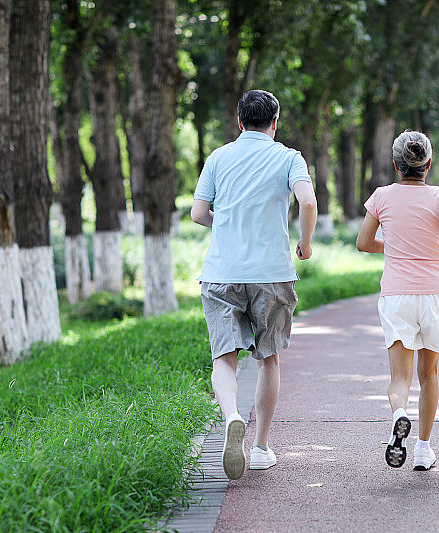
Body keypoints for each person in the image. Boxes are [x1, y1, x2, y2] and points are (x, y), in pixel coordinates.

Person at [191, 89, 317, 480]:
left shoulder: (218, 157)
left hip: (222, 273)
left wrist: (226, 223)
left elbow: (198, 213)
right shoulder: (288, 158)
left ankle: (231, 417)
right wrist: (305, 244)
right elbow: (308, 203)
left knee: (223, 358)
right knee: (269, 359)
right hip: (272, 274)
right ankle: (261, 447)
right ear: (275, 123)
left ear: (240, 121)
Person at [356, 130, 439, 470]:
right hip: (436, 292)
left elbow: (363, 242)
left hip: (397, 296)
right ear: (428, 164)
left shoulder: (381, 197)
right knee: (429, 374)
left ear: (395, 165)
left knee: (399, 378)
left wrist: (394, 246)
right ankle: (423, 449)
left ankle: (399, 415)